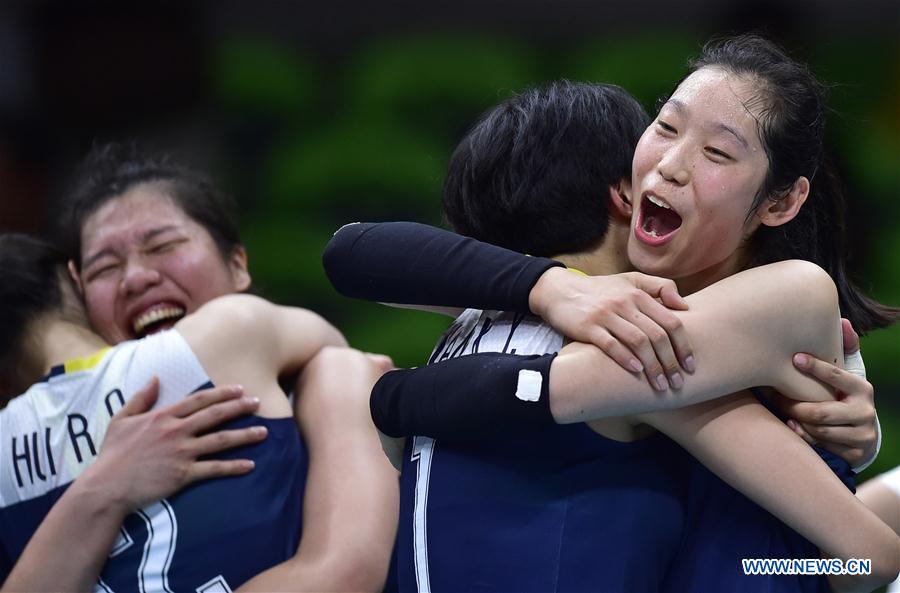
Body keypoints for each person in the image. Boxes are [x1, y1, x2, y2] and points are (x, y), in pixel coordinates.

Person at [324, 36, 899, 592]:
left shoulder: (786, 295)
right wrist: (549, 287)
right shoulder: (628, 313)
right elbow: (355, 252)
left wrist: (769, 572)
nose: (670, 165)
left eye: (718, 152)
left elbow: (867, 561)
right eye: (666, 127)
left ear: (779, 202)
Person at [1, 144, 399, 591]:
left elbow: (346, 573)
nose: (136, 278)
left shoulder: (334, 378)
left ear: (237, 264)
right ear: (78, 297)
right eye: (104, 268)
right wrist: (103, 486)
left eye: (163, 245)